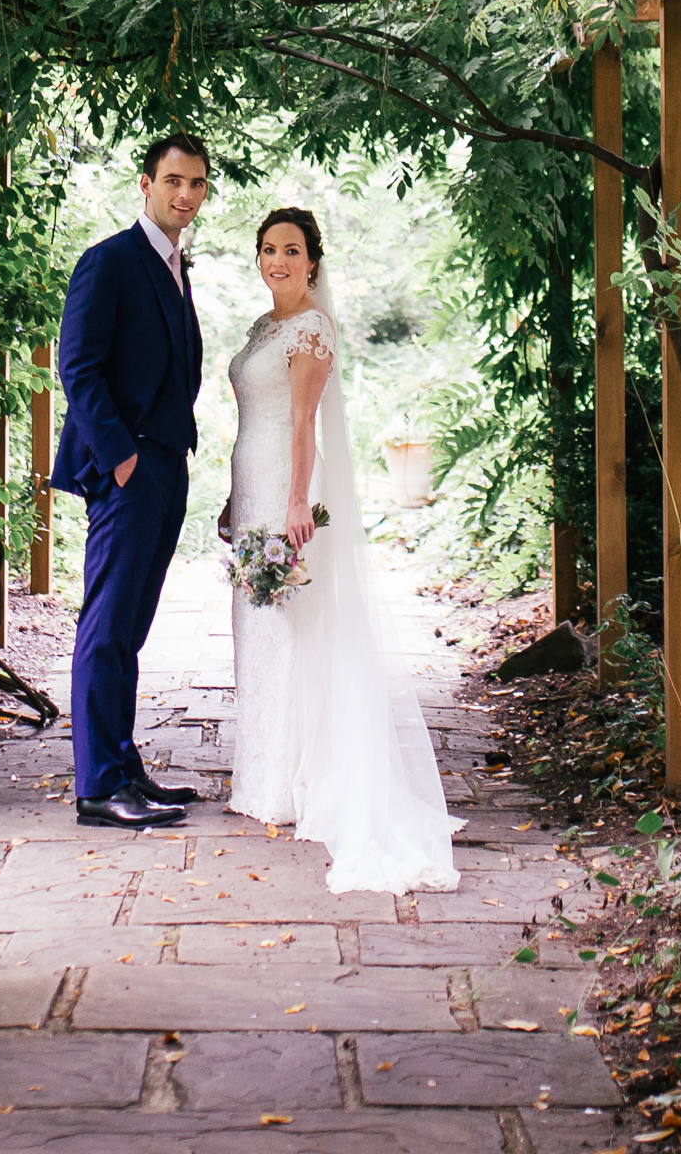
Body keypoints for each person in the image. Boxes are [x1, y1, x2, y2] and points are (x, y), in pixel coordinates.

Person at [215, 206, 459, 893]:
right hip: (251, 484)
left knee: (296, 625)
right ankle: (262, 777)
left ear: (313, 262)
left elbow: (301, 423)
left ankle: (297, 780)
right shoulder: (263, 326)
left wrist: (297, 502)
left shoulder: (311, 328)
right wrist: (235, 499)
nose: (278, 261)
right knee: (259, 627)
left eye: (291, 250)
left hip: (287, 488)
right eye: (268, 249)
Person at [48, 132, 213, 829]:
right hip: (129, 469)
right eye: (173, 180)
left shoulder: (175, 264)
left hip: (166, 465)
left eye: (197, 183)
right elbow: (77, 366)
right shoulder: (109, 260)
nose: (185, 194)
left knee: (131, 627)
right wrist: (120, 457)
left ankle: (123, 768)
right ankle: (98, 787)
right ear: (146, 184)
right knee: (107, 625)